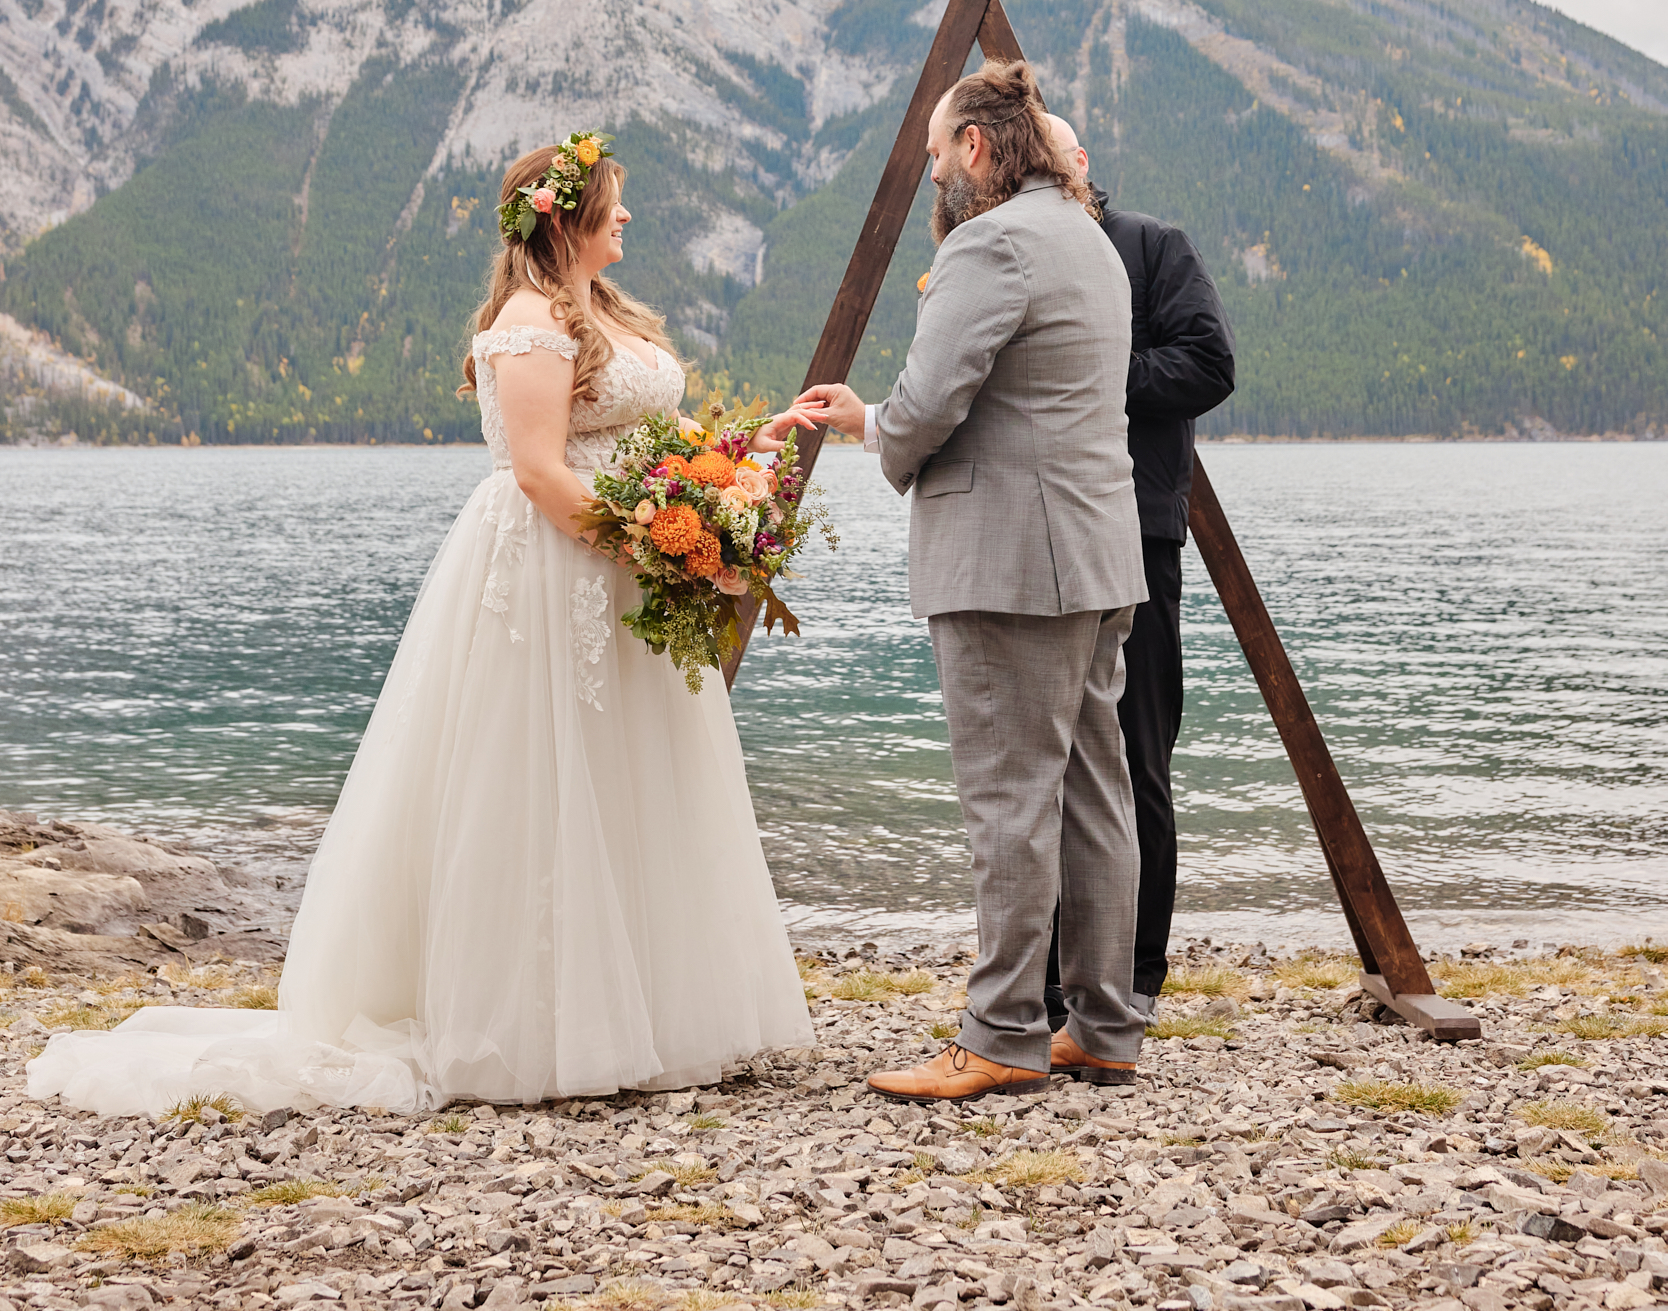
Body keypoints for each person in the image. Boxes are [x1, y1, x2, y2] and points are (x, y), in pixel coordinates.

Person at [30, 136, 810, 1118]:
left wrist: (734, 460)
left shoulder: (606, 311)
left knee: (633, 774)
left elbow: (636, 441)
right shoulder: (528, 323)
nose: (627, 218)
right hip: (556, 566)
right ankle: (536, 1023)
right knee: (540, 782)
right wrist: (652, 547)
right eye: (614, 202)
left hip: (618, 572)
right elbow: (537, 469)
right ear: (566, 216)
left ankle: (651, 1005)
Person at [774, 60, 1148, 1100]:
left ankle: (999, 1034)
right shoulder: (1086, 239)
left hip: (1007, 566)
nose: (935, 170)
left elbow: (934, 399)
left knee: (1008, 803)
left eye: (939, 152)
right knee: (1091, 793)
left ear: (977, 148)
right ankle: (1105, 1023)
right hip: (1096, 551)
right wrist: (878, 418)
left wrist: (874, 427)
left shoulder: (991, 241)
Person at [1042, 113, 1236, 1027]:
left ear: (1081, 163)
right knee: (1040, 762)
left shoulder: (1152, 247)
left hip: (1143, 528)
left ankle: (1138, 977)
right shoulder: (1008, 249)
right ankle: (1045, 980)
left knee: (1136, 754)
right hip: (1039, 532)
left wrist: (1091, 373)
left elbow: (1209, 363)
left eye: (1055, 153)